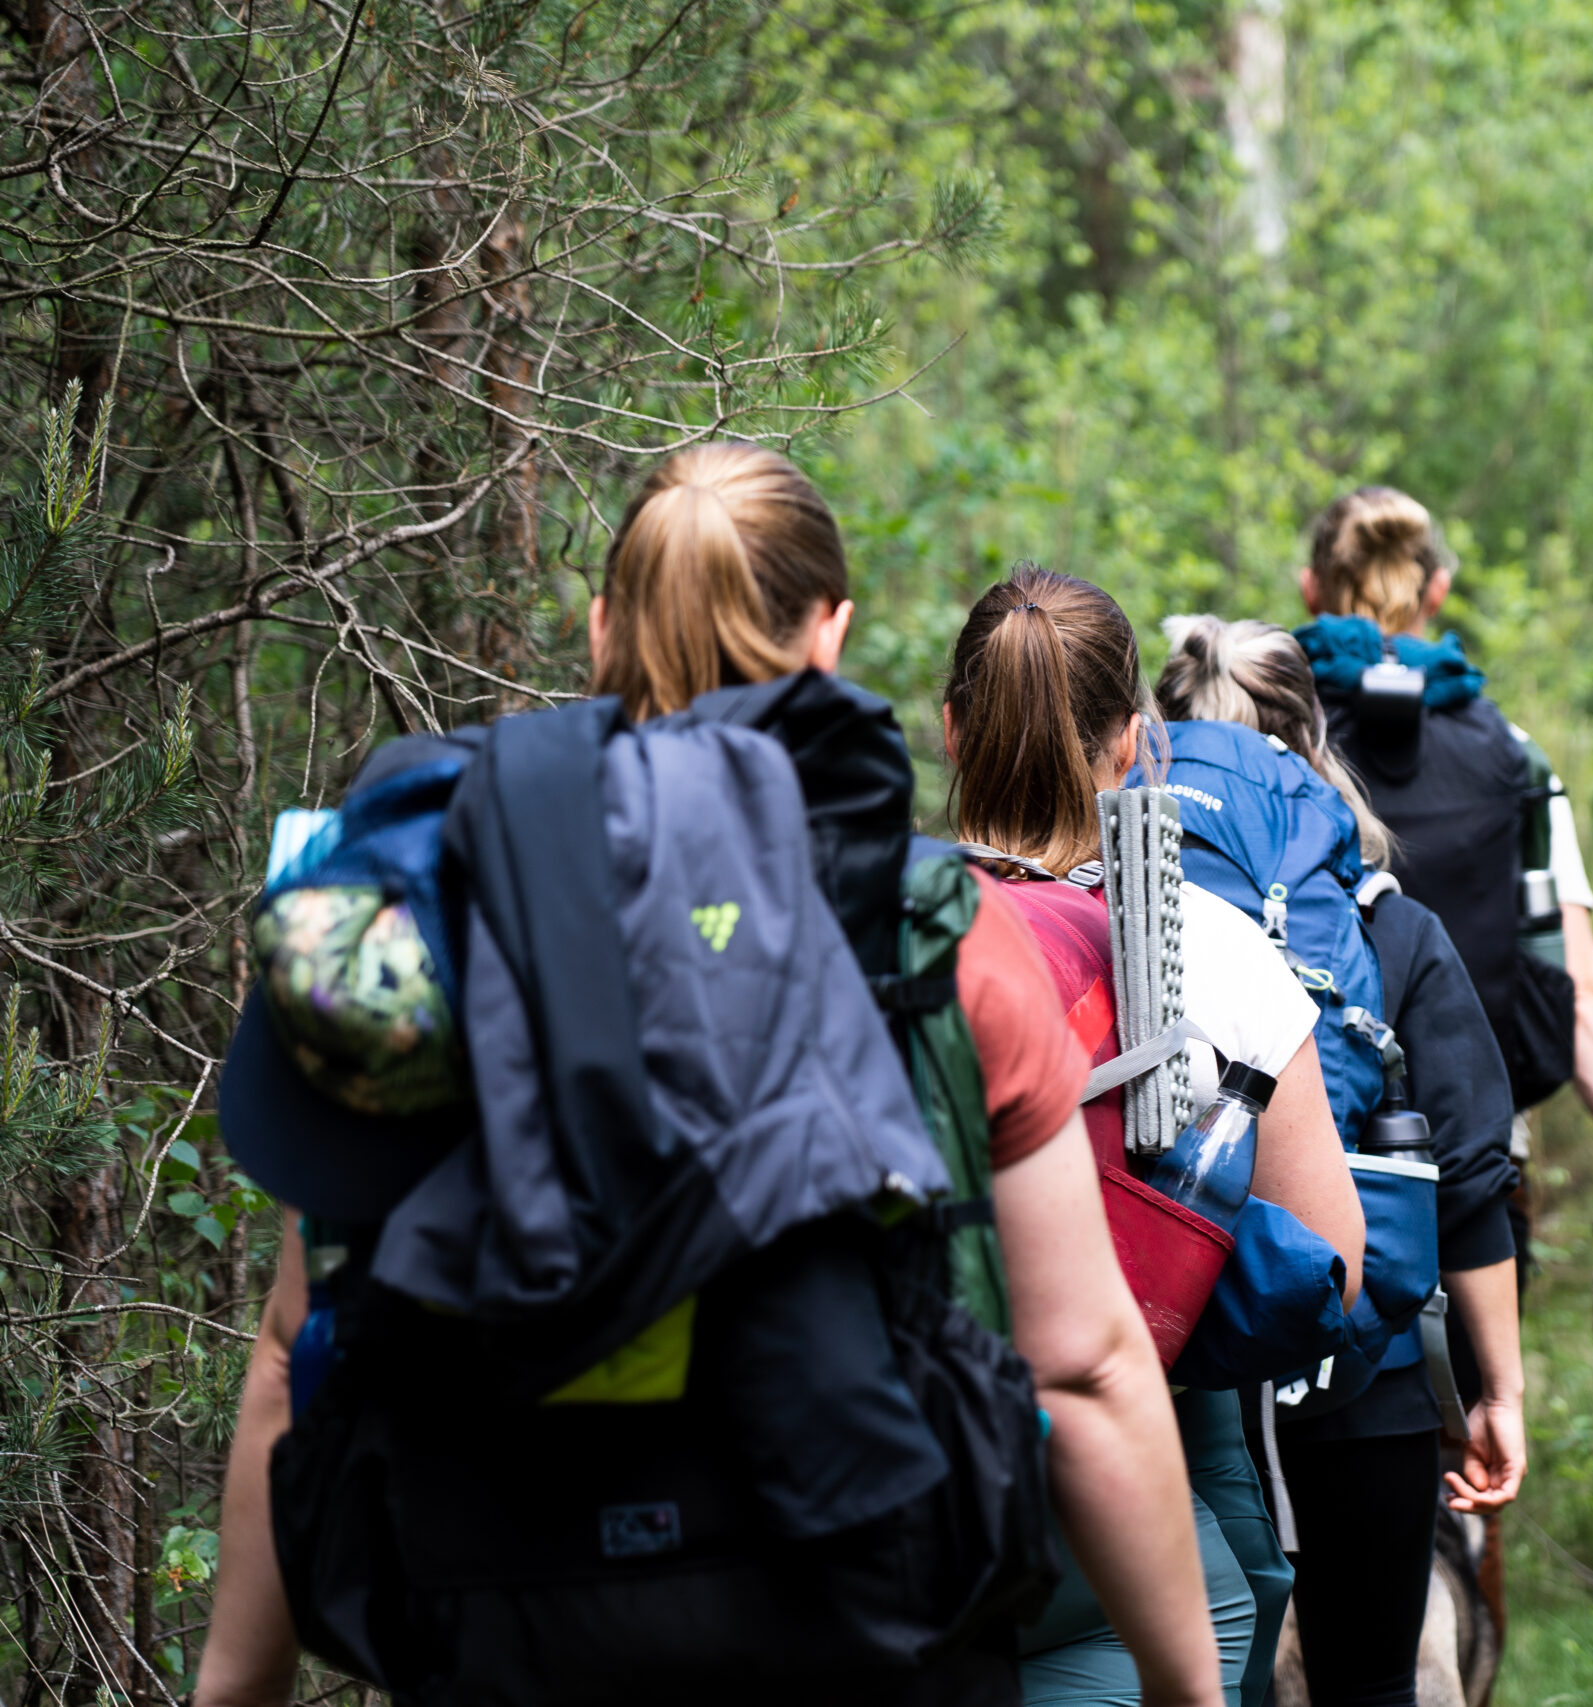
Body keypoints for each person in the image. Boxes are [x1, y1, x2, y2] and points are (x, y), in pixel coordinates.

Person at [198, 446, 1224, 1707]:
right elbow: (1086, 1365)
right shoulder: (928, 930)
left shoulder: (438, 912)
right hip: (862, 1617)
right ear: (830, 637)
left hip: (501, 1619)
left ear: (600, 632)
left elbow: (299, 1346)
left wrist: (230, 1690)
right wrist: (1188, 1689)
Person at [940, 564, 1365, 1707]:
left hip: (894, 1442)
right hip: (1127, 1472)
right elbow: (1332, 1261)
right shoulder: (1214, 948)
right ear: (1136, 743)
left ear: (948, 731)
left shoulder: (864, 921)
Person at [1158, 614, 1524, 1707]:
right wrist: (1496, 1391)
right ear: (1313, 747)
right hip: (1363, 1374)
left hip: (1169, 1359)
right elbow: (1466, 1183)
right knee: (1370, 1681)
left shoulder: (1107, 910)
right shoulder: (1387, 928)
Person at [1291, 486, 1593, 1267]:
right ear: (1438, 590)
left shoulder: (1267, 738)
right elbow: (1584, 991)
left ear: (1310, 589)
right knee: (1487, 1394)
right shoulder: (1511, 754)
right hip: (1476, 1185)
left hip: (1292, 1171)